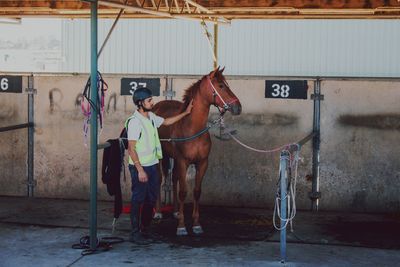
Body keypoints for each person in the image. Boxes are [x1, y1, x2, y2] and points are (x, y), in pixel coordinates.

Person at [126, 87, 193, 244]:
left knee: (150, 199)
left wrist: (186, 113)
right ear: (140, 103)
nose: (152, 102)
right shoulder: (135, 122)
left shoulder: (150, 117)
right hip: (140, 167)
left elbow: (167, 122)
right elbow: (131, 148)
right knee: (138, 199)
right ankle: (135, 233)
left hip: (152, 165)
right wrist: (140, 169)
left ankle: (146, 230)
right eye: (149, 100)